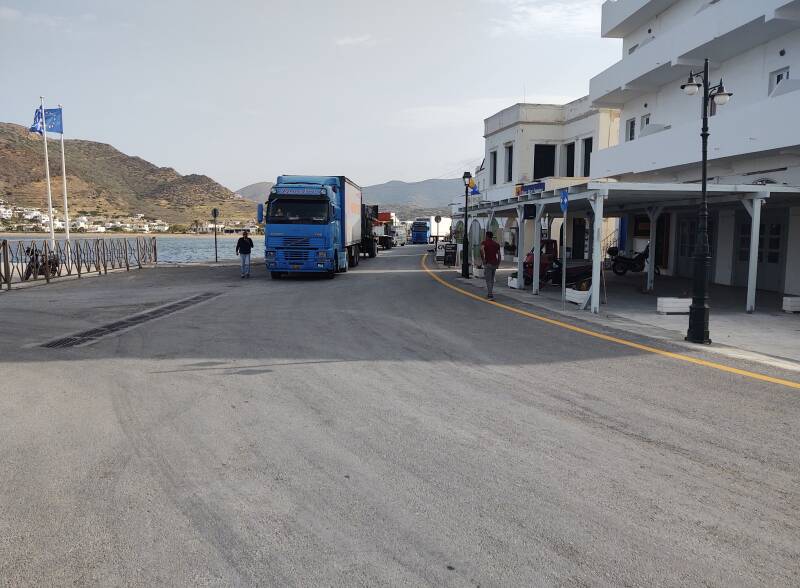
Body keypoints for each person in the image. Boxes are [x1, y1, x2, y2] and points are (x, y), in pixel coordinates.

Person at [480, 230, 501, 299]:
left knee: (488, 280)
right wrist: (498, 263)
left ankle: (490, 294)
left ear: (487, 236)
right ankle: (490, 292)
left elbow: (481, 250)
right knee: (492, 279)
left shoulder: (484, 243)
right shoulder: (496, 244)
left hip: (488, 263)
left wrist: (483, 260)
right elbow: (499, 255)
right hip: (495, 263)